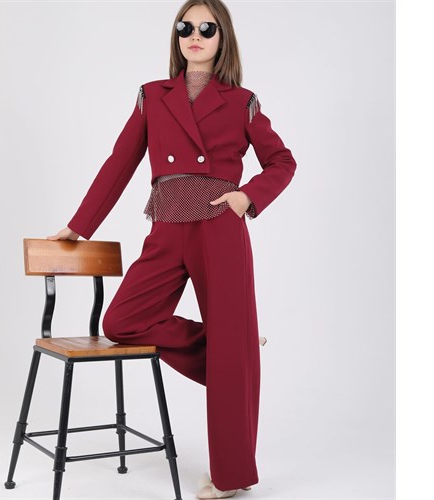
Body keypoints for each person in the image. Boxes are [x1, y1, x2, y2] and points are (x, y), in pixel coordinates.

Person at [48, 0, 297, 497]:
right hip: (166, 224)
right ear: (176, 36)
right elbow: (119, 162)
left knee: (230, 348)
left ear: (223, 38)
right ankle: (233, 346)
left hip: (219, 227)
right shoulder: (152, 95)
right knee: (122, 321)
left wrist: (247, 197)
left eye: (207, 27)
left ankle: (230, 478)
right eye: (185, 27)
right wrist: (79, 226)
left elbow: (282, 161)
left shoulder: (242, 100)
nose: (194, 35)